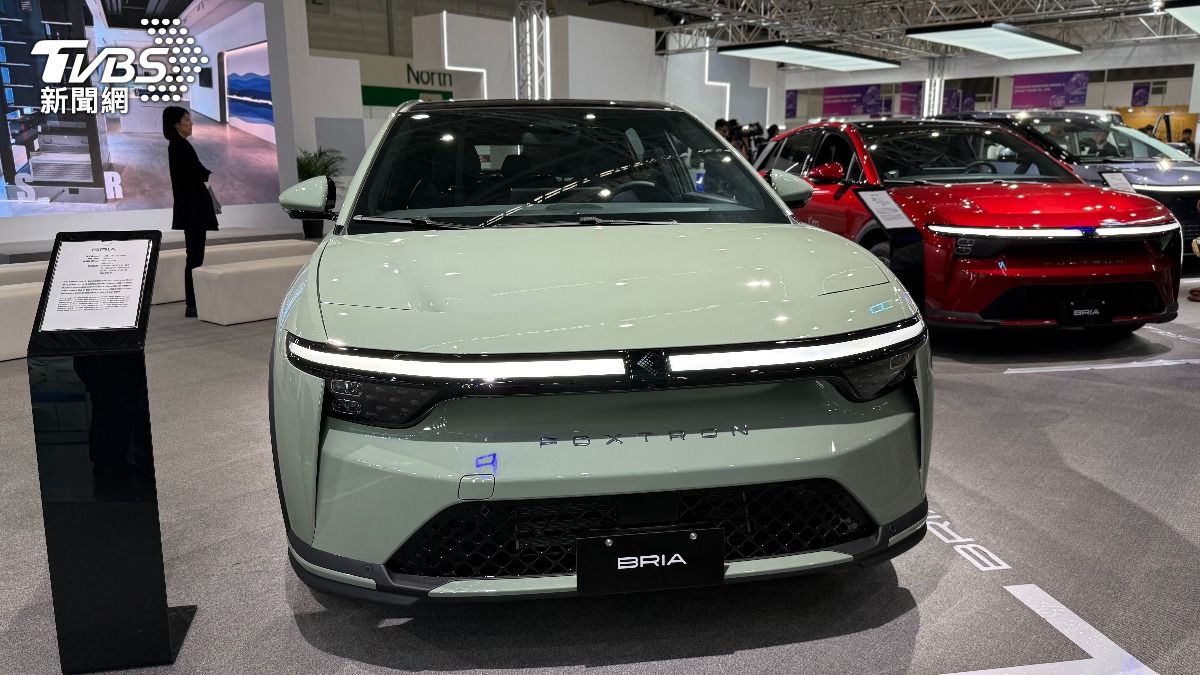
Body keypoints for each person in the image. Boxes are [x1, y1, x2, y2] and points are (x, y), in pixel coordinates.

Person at [163, 106, 218, 317]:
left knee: (194, 256)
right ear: (176, 124)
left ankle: (193, 303)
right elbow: (198, 173)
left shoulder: (178, 146)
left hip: (191, 209)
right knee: (195, 257)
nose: (191, 123)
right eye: (186, 119)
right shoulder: (180, 147)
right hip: (193, 210)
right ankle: (193, 304)